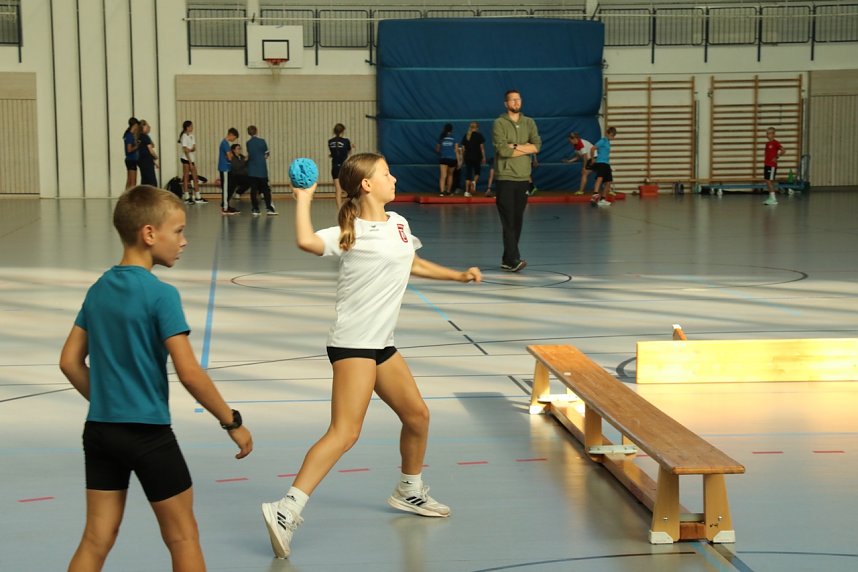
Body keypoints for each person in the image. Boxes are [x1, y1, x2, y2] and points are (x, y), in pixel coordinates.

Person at [261, 152, 482, 560]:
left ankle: (409, 491)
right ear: (367, 184)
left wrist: (458, 275)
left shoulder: (399, 225)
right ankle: (285, 510)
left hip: (381, 344)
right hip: (354, 344)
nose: (393, 178)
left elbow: (412, 263)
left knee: (417, 416)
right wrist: (304, 197)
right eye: (386, 174)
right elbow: (306, 242)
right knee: (344, 432)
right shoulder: (350, 232)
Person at [59, 185, 253, 572]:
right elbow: (189, 373)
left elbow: (69, 362)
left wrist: (106, 401)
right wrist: (231, 420)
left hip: (100, 431)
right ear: (149, 234)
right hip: (148, 435)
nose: (184, 240)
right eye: (178, 231)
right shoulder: (160, 295)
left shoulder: (99, 290)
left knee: (96, 539)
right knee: (182, 537)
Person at [492, 89, 541, 272]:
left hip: (523, 178)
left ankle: (507, 259)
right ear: (506, 104)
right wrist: (525, 147)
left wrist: (515, 146)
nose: (515, 102)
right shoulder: (499, 123)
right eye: (512, 100)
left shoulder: (529, 123)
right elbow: (503, 151)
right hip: (505, 178)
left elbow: (537, 146)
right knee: (508, 220)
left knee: (517, 220)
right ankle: (514, 259)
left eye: (518, 99)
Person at [246, 125, 276, 216]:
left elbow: (250, 155)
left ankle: (255, 209)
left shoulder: (248, 143)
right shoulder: (262, 141)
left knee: (253, 190)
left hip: (252, 170)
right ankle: (269, 208)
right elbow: (267, 154)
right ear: (256, 131)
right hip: (262, 170)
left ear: (248, 133)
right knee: (266, 190)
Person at [178, 120, 206, 205]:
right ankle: (186, 197)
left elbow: (194, 147)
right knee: (186, 177)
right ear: (187, 127)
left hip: (192, 159)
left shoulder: (192, 136)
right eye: (191, 126)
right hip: (186, 159)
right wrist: (189, 162)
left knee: (195, 177)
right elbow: (185, 150)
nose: (192, 128)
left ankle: (198, 196)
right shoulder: (183, 136)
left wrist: (190, 149)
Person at [589, 127, 617, 207]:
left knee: (608, 182)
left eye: (613, 136)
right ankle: (595, 195)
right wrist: (592, 159)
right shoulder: (603, 140)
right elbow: (593, 148)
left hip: (606, 163)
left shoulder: (608, 142)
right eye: (611, 135)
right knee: (600, 178)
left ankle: (602, 199)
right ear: (607, 133)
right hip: (601, 163)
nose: (611, 137)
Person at [328, 123, 352, 210]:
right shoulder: (346, 141)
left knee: (338, 190)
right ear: (343, 131)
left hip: (335, 167)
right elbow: (348, 153)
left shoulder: (330, 142)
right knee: (349, 188)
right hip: (344, 167)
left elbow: (334, 152)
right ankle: (348, 206)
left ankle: (339, 209)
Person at [460, 122, 486, 198]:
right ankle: (474, 182)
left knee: (468, 174)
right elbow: (482, 148)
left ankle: (466, 192)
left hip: (468, 157)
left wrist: (463, 157)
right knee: (477, 172)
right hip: (477, 157)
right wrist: (484, 157)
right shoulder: (479, 135)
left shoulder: (467, 135)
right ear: (477, 128)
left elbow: (463, 149)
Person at [219, 128, 240, 215]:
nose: (233, 140)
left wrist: (230, 154)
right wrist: (230, 155)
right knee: (226, 189)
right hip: (225, 168)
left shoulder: (226, 143)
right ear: (231, 135)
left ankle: (226, 205)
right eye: (234, 138)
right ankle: (225, 208)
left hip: (227, 168)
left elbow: (230, 155)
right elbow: (230, 157)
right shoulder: (225, 144)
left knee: (229, 187)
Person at [763, 127, 785, 206]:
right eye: (767, 133)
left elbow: (783, 150)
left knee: (769, 181)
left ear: (773, 134)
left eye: (769, 133)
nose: (767, 135)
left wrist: (777, 157)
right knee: (767, 180)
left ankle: (773, 199)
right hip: (767, 164)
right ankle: (770, 197)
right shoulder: (767, 143)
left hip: (772, 165)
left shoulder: (775, 143)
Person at [435, 123, 459, 196]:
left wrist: (443, 150)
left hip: (444, 158)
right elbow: (456, 150)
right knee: (450, 175)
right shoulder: (454, 138)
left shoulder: (442, 138)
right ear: (451, 130)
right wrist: (458, 161)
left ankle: (442, 192)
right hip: (452, 159)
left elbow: (438, 149)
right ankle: (448, 191)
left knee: (443, 175)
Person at [227, 142, 251, 208]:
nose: (239, 150)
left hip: (244, 175)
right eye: (238, 148)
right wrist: (244, 161)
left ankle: (238, 192)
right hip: (235, 176)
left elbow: (246, 165)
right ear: (233, 150)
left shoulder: (242, 156)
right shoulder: (232, 157)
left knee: (252, 180)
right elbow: (236, 166)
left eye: (240, 148)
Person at [137, 120, 159, 187]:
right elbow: (150, 151)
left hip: (141, 161)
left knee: (145, 179)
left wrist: (154, 163)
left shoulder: (139, 136)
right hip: (146, 161)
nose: (148, 127)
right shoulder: (144, 137)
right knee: (151, 180)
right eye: (147, 125)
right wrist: (156, 157)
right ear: (143, 126)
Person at [123, 117, 140, 191]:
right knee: (133, 183)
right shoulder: (129, 135)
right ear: (135, 125)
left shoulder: (128, 135)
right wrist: (137, 146)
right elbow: (129, 149)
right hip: (131, 160)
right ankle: (130, 199)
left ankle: (125, 197)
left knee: (129, 181)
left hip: (130, 160)